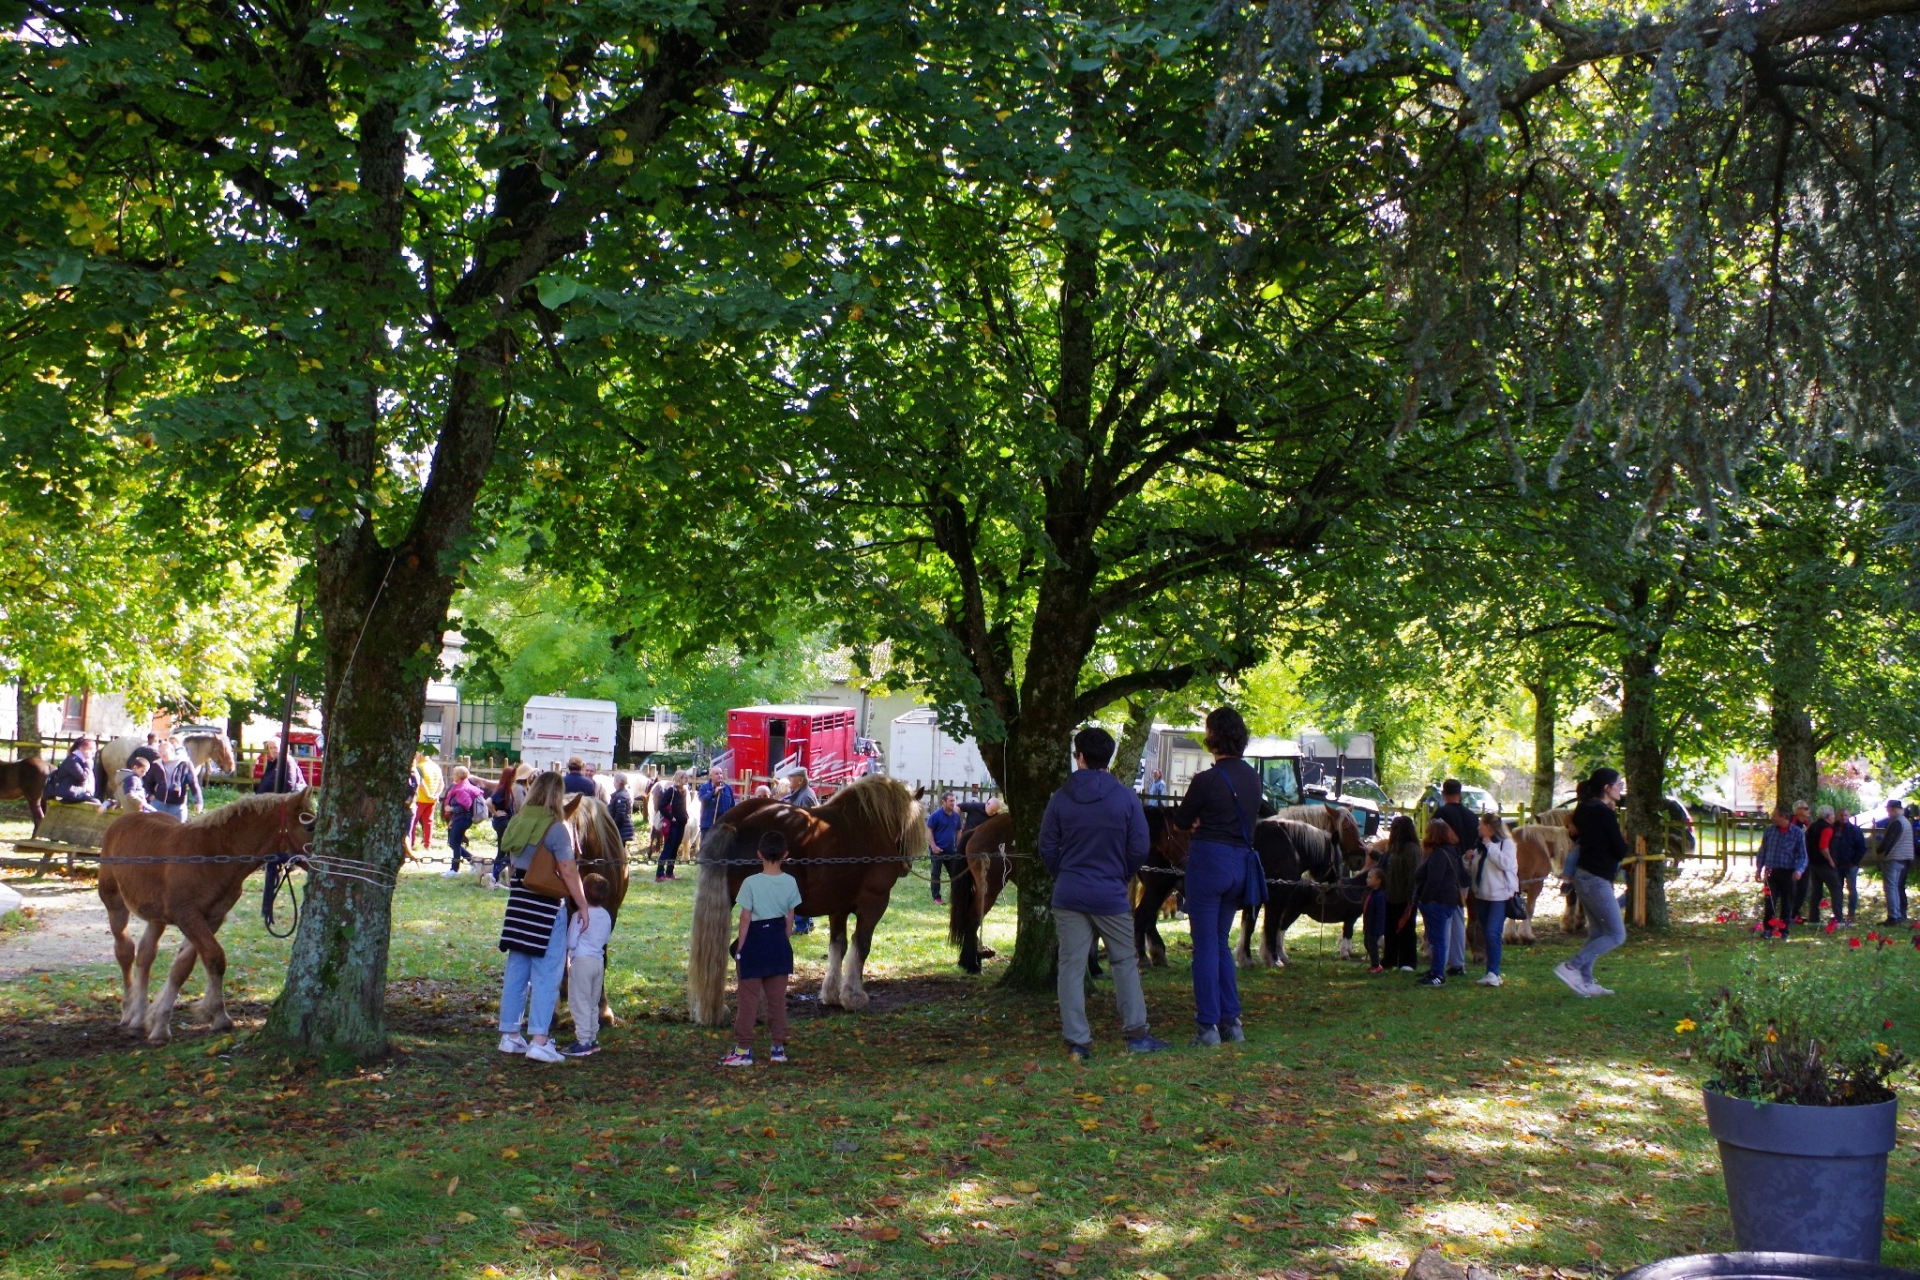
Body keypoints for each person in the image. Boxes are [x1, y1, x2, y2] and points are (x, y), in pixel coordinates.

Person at [1039, 725, 1170, 1061]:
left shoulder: (1060, 798)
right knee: (1125, 962)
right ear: (1107, 757)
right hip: (1110, 893)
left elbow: (1047, 846)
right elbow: (1140, 846)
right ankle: (1137, 1034)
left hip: (1070, 892)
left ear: (1079, 757)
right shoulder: (1125, 797)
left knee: (1070, 965)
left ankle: (1078, 1043)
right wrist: (1120, 874)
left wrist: (1064, 873)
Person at [1170, 706, 1263, 1048]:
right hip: (1240, 865)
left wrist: (1196, 822)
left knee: (1205, 948)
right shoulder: (1253, 779)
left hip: (1209, 863)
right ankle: (1232, 1023)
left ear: (1213, 737)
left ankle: (1207, 1027)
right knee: (1221, 945)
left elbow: (1181, 820)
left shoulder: (1206, 780)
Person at [496, 771, 593, 1065]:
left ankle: (510, 1035)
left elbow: (512, 862)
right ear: (556, 795)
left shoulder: (518, 821)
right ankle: (540, 1039)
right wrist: (583, 905)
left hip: (519, 902)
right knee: (548, 973)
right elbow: (568, 869)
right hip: (546, 906)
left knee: (517, 971)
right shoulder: (555, 828)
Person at [722, 830, 804, 1067]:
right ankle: (777, 1048)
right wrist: (783, 940)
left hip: (754, 943)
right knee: (777, 1001)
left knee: (748, 1000)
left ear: (759, 854)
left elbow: (745, 918)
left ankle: (743, 1049)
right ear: (786, 855)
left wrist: (741, 947)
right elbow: (791, 918)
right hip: (778, 942)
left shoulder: (750, 883)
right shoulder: (790, 882)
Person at [1554, 767, 1630, 998]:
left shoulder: (1584, 808)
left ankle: (1586, 982)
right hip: (1596, 879)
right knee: (1617, 934)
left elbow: (1575, 836)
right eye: (1618, 785)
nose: (1621, 789)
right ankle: (1571, 967)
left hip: (1584, 876)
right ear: (1607, 788)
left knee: (1598, 931)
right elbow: (1619, 849)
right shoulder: (1604, 813)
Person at [561, 872, 615, 1058]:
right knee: (592, 1002)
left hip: (582, 963)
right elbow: (606, 937)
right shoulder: (606, 915)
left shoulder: (579, 916)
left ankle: (583, 1041)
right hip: (598, 963)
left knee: (579, 1002)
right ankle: (592, 1037)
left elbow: (571, 942)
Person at [1412, 816, 1465, 987]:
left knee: (1438, 939)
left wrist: (1424, 899)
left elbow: (1434, 880)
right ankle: (1435, 970)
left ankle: (1438, 974)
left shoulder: (1438, 855)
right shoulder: (1452, 851)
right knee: (1436, 939)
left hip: (1437, 901)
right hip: (1446, 900)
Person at [1467, 812, 1518, 987]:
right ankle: (1490, 971)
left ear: (1489, 828)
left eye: (1481, 825)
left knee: (1492, 932)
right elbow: (1475, 871)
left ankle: (1493, 972)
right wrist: (1467, 860)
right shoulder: (1479, 846)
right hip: (1481, 895)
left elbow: (1506, 864)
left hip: (1500, 895)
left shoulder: (1506, 844)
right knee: (1485, 931)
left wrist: (1490, 846)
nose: (1478, 828)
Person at [1755, 805, 1809, 936]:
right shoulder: (1769, 831)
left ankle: (1783, 929)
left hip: (1788, 872)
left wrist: (1799, 870)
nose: (1772, 817)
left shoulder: (1797, 833)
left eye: (1775, 815)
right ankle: (1768, 928)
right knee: (1770, 901)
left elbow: (1803, 855)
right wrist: (1759, 868)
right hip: (1771, 871)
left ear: (1783, 817)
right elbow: (1763, 850)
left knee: (1787, 901)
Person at [1381, 815, 1420, 971]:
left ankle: (1407, 961)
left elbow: (1414, 874)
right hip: (1391, 896)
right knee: (1389, 929)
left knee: (1406, 930)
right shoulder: (1393, 848)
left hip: (1406, 897)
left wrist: (1410, 898)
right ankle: (1390, 958)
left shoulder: (1412, 849)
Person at [441, 766, 488, 877]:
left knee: (455, 843)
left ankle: (454, 870)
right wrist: (452, 819)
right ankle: (473, 862)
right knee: (453, 842)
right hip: (459, 819)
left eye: (454, 774)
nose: (453, 775)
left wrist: (450, 809)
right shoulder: (462, 786)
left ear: (459, 776)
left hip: (462, 819)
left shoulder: (462, 789)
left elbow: (465, 807)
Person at [1803, 804, 1844, 925]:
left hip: (1813, 863)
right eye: (1833, 815)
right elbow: (1823, 847)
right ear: (1828, 816)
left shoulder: (1813, 826)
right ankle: (1838, 917)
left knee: (1817, 891)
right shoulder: (1827, 828)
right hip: (1824, 864)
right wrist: (1831, 861)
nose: (1834, 817)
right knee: (1836, 889)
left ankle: (1813, 918)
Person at [146, 738, 205, 822]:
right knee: (155, 827)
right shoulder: (156, 764)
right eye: (160, 752)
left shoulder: (185, 764)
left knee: (178, 829)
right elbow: (148, 781)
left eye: (164, 751)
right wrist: (150, 794)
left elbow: (193, 784)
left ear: (172, 750)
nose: (162, 754)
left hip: (177, 804)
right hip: (159, 802)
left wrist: (198, 801)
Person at [486, 763, 524, 889]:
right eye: (514, 775)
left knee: (504, 851)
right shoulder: (502, 789)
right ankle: (494, 876)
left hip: (505, 822)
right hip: (503, 823)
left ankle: (497, 877)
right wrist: (495, 813)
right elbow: (488, 802)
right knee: (505, 851)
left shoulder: (507, 789)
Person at [1876, 798, 1912, 924]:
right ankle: (1899, 914)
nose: (1888, 813)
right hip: (1904, 858)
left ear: (1892, 810)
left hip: (1894, 857)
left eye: (1888, 810)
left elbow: (1888, 841)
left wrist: (1879, 851)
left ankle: (1893, 916)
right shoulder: (1905, 821)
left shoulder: (1896, 822)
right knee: (1897, 887)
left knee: (1890, 887)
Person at [1831, 805, 1867, 924]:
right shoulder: (1832, 829)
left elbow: (1862, 848)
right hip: (1836, 864)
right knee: (1837, 889)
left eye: (1846, 815)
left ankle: (1851, 913)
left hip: (1851, 865)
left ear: (1849, 816)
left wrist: (1854, 861)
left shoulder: (1855, 830)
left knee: (1851, 888)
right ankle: (1837, 914)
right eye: (1841, 815)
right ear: (1837, 816)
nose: (1843, 817)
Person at [926, 792, 964, 906]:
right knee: (935, 874)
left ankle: (955, 897)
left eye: (954, 801)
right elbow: (929, 831)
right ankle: (936, 897)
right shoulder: (935, 816)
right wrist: (933, 847)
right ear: (943, 802)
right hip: (937, 850)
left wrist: (959, 847)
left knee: (955, 874)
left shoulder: (956, 816)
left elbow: (958, 832)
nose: (953, 803)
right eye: (951, 801)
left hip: (951, 851)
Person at [43, 736, 100, 808]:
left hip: (73, 793)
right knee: (96, 803)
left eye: (94, 749)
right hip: (66, 794)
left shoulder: (80, 760)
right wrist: (88, 764)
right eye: (91, 749)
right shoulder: (72, 760)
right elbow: (83, 777)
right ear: (81, 749)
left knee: (95, 802)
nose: (94, 751)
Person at [656, 770, 690, 882]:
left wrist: (685, 815)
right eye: (685, 777)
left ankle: (669, 872)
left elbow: (682, 806)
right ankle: (659, 874)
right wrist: (671, 817)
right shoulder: (671, 790)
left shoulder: (684, 791)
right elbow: (662, 806)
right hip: (672, 825)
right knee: (668, 848)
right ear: (680, 778)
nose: (687, 779)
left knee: (675, 849)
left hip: (681, 824)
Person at [410, 748, 444, 854]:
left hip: (420, 799)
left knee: (413, 822)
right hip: (432, 800)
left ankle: (411, 843)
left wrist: (428, 795)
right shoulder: (436, 766)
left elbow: (421, 782)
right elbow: (441, 783)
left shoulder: (419, 767)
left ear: (420, 755)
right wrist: (436, 795)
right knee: (428, 822)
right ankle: (427, 844)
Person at [697, 767, 736, 843]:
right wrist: (713, 793)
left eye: (721, 773)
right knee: (707, 849)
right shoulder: (704, 788)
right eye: (717, 774)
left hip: (723, 825)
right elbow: (702, 800)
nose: (720, 776)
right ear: (711, 776)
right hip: (708, 825)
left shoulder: (728, 789)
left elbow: (732, 806)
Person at [1361, 867, 1387, 973]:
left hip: (1374, 927)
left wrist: (1379, 930)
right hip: (1368, 925)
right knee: (1367, 944)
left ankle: (1376, 966)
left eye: (1370, 878)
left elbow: (1381, 914)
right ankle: (1374, 962)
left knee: (1372, 945)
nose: (1367, 879)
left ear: (1378, 881)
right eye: (1367, 877)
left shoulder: (1380, 896)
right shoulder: (1371, 892)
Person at [608, 772, 636, 847]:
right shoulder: (621, 794)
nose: (613, 782)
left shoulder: (621, 796)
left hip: (621, 829)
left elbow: (620, 815)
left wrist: (613, 827)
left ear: (618, 782)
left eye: (614, 780)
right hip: (621, 829)